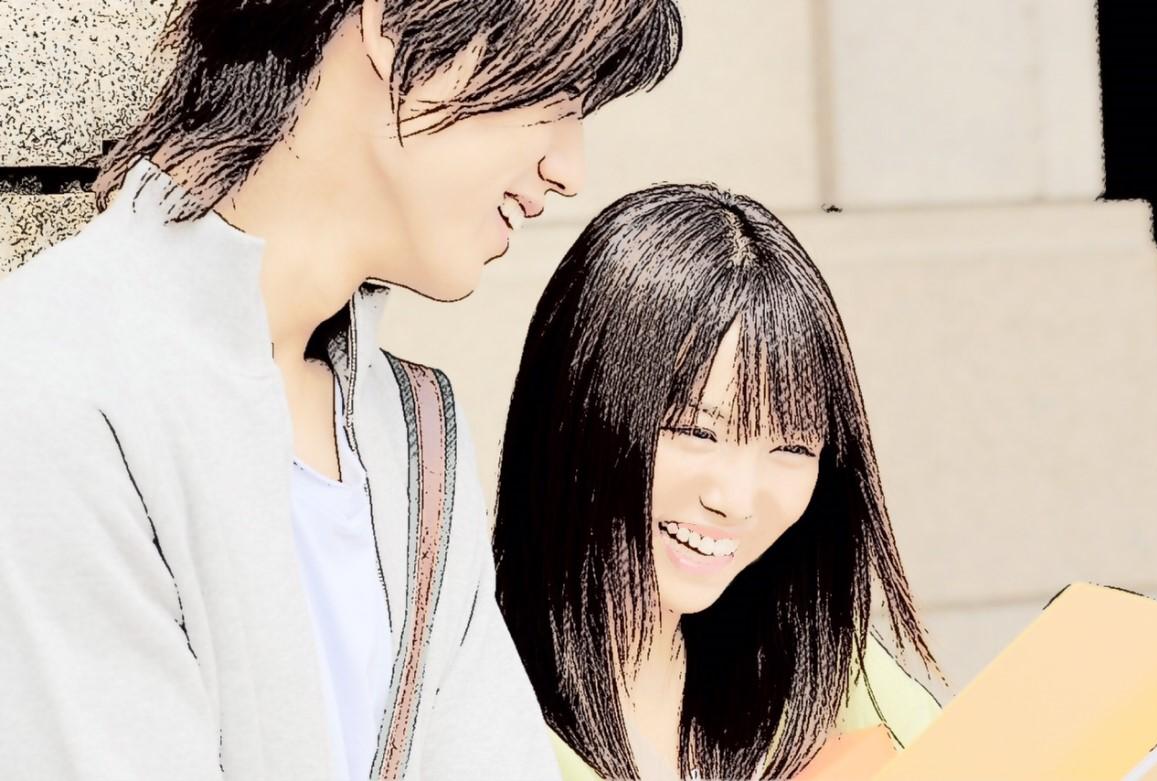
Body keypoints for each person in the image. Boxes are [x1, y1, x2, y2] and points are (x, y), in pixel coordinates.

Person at [0, 1, 681, 779]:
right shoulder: (56, 387)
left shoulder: (416, 437)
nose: (569, 169)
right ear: (392, 24)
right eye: (557, 92)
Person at [493, 184, 941, 780]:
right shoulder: (469, 703)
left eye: (792, 447)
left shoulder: (833, 680)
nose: (735, 501)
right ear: (578, 410)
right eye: (696, 431)